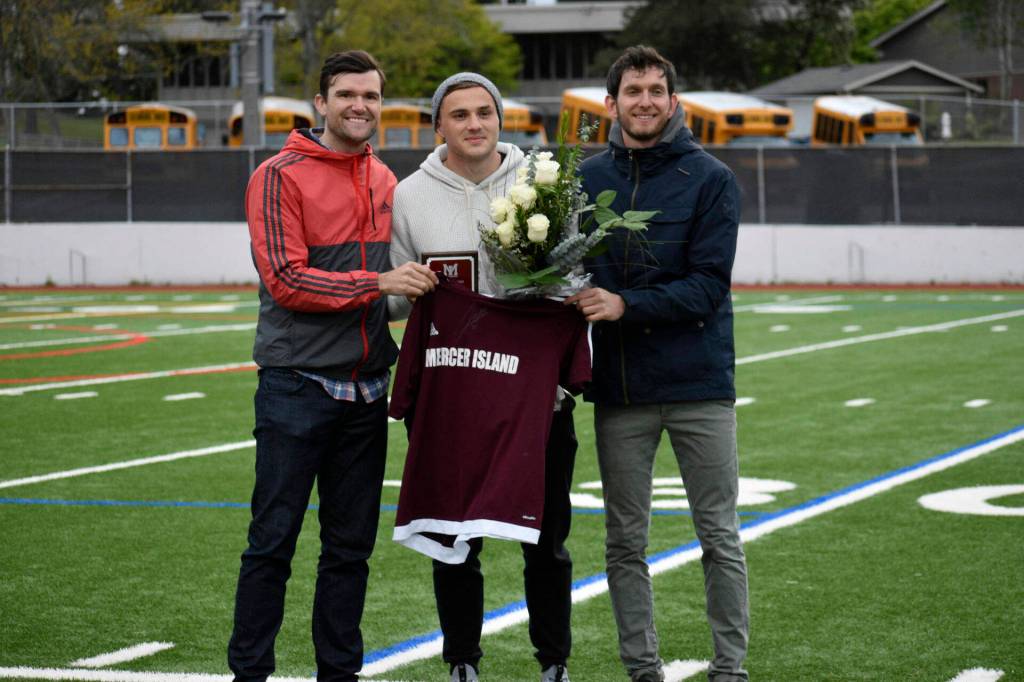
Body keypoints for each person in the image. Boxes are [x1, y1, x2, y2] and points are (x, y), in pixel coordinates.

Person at [227, 50, 438, 682]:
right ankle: (249, 673)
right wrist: (379, 282)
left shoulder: (386, 180)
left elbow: (397, 290)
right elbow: (287, 279)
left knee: (350, 553)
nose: (359, 106)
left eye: (371, 96)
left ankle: (339, 675)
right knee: (272, 545)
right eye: (346, 94)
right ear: (320, 103)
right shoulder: (277, 175)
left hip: (368, 393)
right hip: (298, 387)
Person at [565, 46, 749, 682]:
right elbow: (568, 274)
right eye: (632, 90)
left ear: (674, 101)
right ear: (610, 105)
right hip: (622, 389)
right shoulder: (584, 180)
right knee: (624, 543)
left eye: (655, 89)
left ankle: (730, 669)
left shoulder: (713, 178)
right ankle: (642, 669)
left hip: (700, 386)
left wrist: (624, 303)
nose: (644, 100)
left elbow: (707, 287)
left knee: (719, 535)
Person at [389, 72, 577, 682]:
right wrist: (405, 287)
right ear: (438, 125)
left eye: (484, 113)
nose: (474, 124)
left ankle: (554, 662)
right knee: (454, 538)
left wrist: (560, 379)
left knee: (544, 540)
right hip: (454, 400)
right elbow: (397, 299)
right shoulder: (410, 195)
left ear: (501, 119)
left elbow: (572, 285)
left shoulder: (543, 183)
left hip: (535, 400)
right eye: (460, 114)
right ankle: (462, 662)